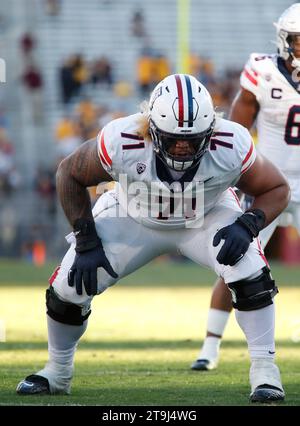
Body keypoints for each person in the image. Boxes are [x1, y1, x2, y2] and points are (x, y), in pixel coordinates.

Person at [16, 73, 289, 403]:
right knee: (68, 287)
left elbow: (276, 188)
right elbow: (69, 173)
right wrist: (86, 240)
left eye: (192, 139)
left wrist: (248, 224)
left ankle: (265, 372)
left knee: (250, 272)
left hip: (205, 216)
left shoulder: (231, 143)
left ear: (211, 130)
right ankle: (57, 372)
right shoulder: (123, 138)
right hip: (132, 216)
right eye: (173, 138)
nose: (183, 146)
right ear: (152, 127)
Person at [192, 3, 300, 379]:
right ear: (284, 41)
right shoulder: (263, 70)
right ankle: (210, 347)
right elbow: (235, 133)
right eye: (299, 41)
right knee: (235, 261)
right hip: (269, 183)